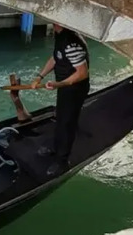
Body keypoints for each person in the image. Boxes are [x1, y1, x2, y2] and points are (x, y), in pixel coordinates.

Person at [31, 24, 90, 177]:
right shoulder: (60, 35)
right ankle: (56, 145)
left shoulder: (71, 43)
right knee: (61, 117)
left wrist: (60, 84)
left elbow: (82, 73)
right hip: (65, 87)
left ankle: (62, 161)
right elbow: (55, 57)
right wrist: (40, 77)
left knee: (67, 123)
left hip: (75, 89)